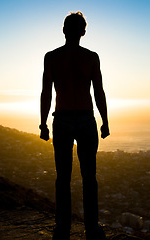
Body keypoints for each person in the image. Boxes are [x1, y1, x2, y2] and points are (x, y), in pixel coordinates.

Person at [39, 11, 110, 240]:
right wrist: (105, 121)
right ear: (83, 32)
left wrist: (43, 124)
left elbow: (46, 93)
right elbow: (98, 92)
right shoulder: (91, 57)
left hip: (61, 119)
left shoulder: (51, 57)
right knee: (90, 177)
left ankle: (62, 228)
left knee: (63, 177)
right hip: (87, 119)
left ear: (63, 30)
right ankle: (92, 228)